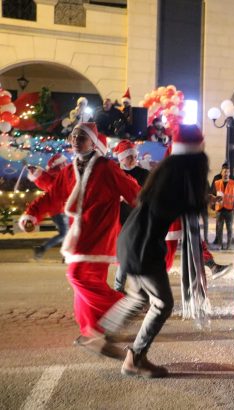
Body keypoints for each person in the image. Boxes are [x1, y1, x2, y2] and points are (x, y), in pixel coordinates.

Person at [98, 124, 210, 378]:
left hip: (130, 240)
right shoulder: (183, 177)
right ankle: (135, 358)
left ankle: (96, 334)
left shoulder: (167, 171)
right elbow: (190, 207)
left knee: (139, 297)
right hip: (144, 246)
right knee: (162, 304)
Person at [18, 123, 140, 356]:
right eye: (73, 136)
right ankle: (94, 332)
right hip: (79, 234)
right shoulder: (68, 170)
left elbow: (133, 191)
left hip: (99, 234)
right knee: (84, 288)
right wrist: (32, 214)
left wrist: (153, 211)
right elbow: (52, 197)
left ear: (93, 143)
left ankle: (123, 305)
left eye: (81, 136)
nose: (75, 139)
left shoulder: (107, 168)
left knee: (77, 276)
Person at [111, 140, 150, 293]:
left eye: (134, 156)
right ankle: (120, 287)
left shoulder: (144, 174)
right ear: (121, 158)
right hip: (121, 219)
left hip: (139, 218)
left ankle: (137, 288)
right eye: (129, 157)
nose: (133, 159)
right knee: (126, 253)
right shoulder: (115, 173)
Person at [27, 153, 70, 259]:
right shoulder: (57, 177)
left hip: (61, 209)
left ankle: (66, 255)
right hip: (58, 210)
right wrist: (36, 172)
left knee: (67, 232)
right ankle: (43, 249)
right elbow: (44, 179)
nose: (66, 164)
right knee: (65, 233)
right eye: (64, 163)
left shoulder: (61, 176)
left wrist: (36, 172)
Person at [212, 164, 234, 250]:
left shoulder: (233, 183)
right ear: (221, 172)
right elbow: (212, 194)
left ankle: (228, 245)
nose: (226, 173)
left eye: (228, 172)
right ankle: (220, 245)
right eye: (225, 171)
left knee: (229, 229)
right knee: (219, 229)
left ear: (229, 173)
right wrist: (213, 205)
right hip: (219, 209)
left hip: (229, 209)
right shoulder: (217, 183)